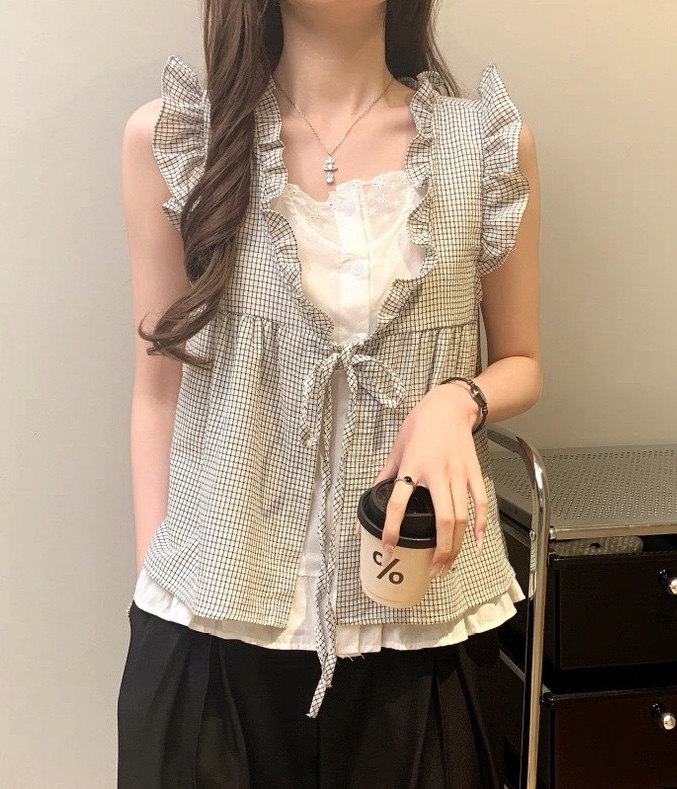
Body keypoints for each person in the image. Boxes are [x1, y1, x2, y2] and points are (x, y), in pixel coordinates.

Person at [117, 0, 541, 787]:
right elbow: (158, 389)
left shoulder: (483, 146)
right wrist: (158, 602)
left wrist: (456, 401)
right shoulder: (179, 141)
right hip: (211, 623)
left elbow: (521, 360)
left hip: (420, 617)